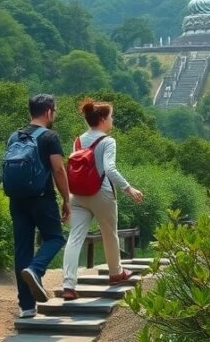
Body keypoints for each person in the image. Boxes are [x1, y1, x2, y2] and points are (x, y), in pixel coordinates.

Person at [60, 98, 144, 300]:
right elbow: (109, 169)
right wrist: (128, 188)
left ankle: (69, 285)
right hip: (101, 194)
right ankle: (116, 274)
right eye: (111, 116)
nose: (112, 120)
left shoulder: (78, 141)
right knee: (109, 234)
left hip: (77, 195)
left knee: (75, 237)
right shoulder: (108, 141)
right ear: (103, 119)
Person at [9, 94, 70, 318]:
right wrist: (67, 198)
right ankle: (35, 270)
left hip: (16, 199)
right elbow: (59, 170)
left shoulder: (13, 137)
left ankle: (26, 307)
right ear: (48, 112)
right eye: (54, 111)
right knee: (55, 238)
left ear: (30, 112)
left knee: (22, 248)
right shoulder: (49, 137)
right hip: (42, 198)